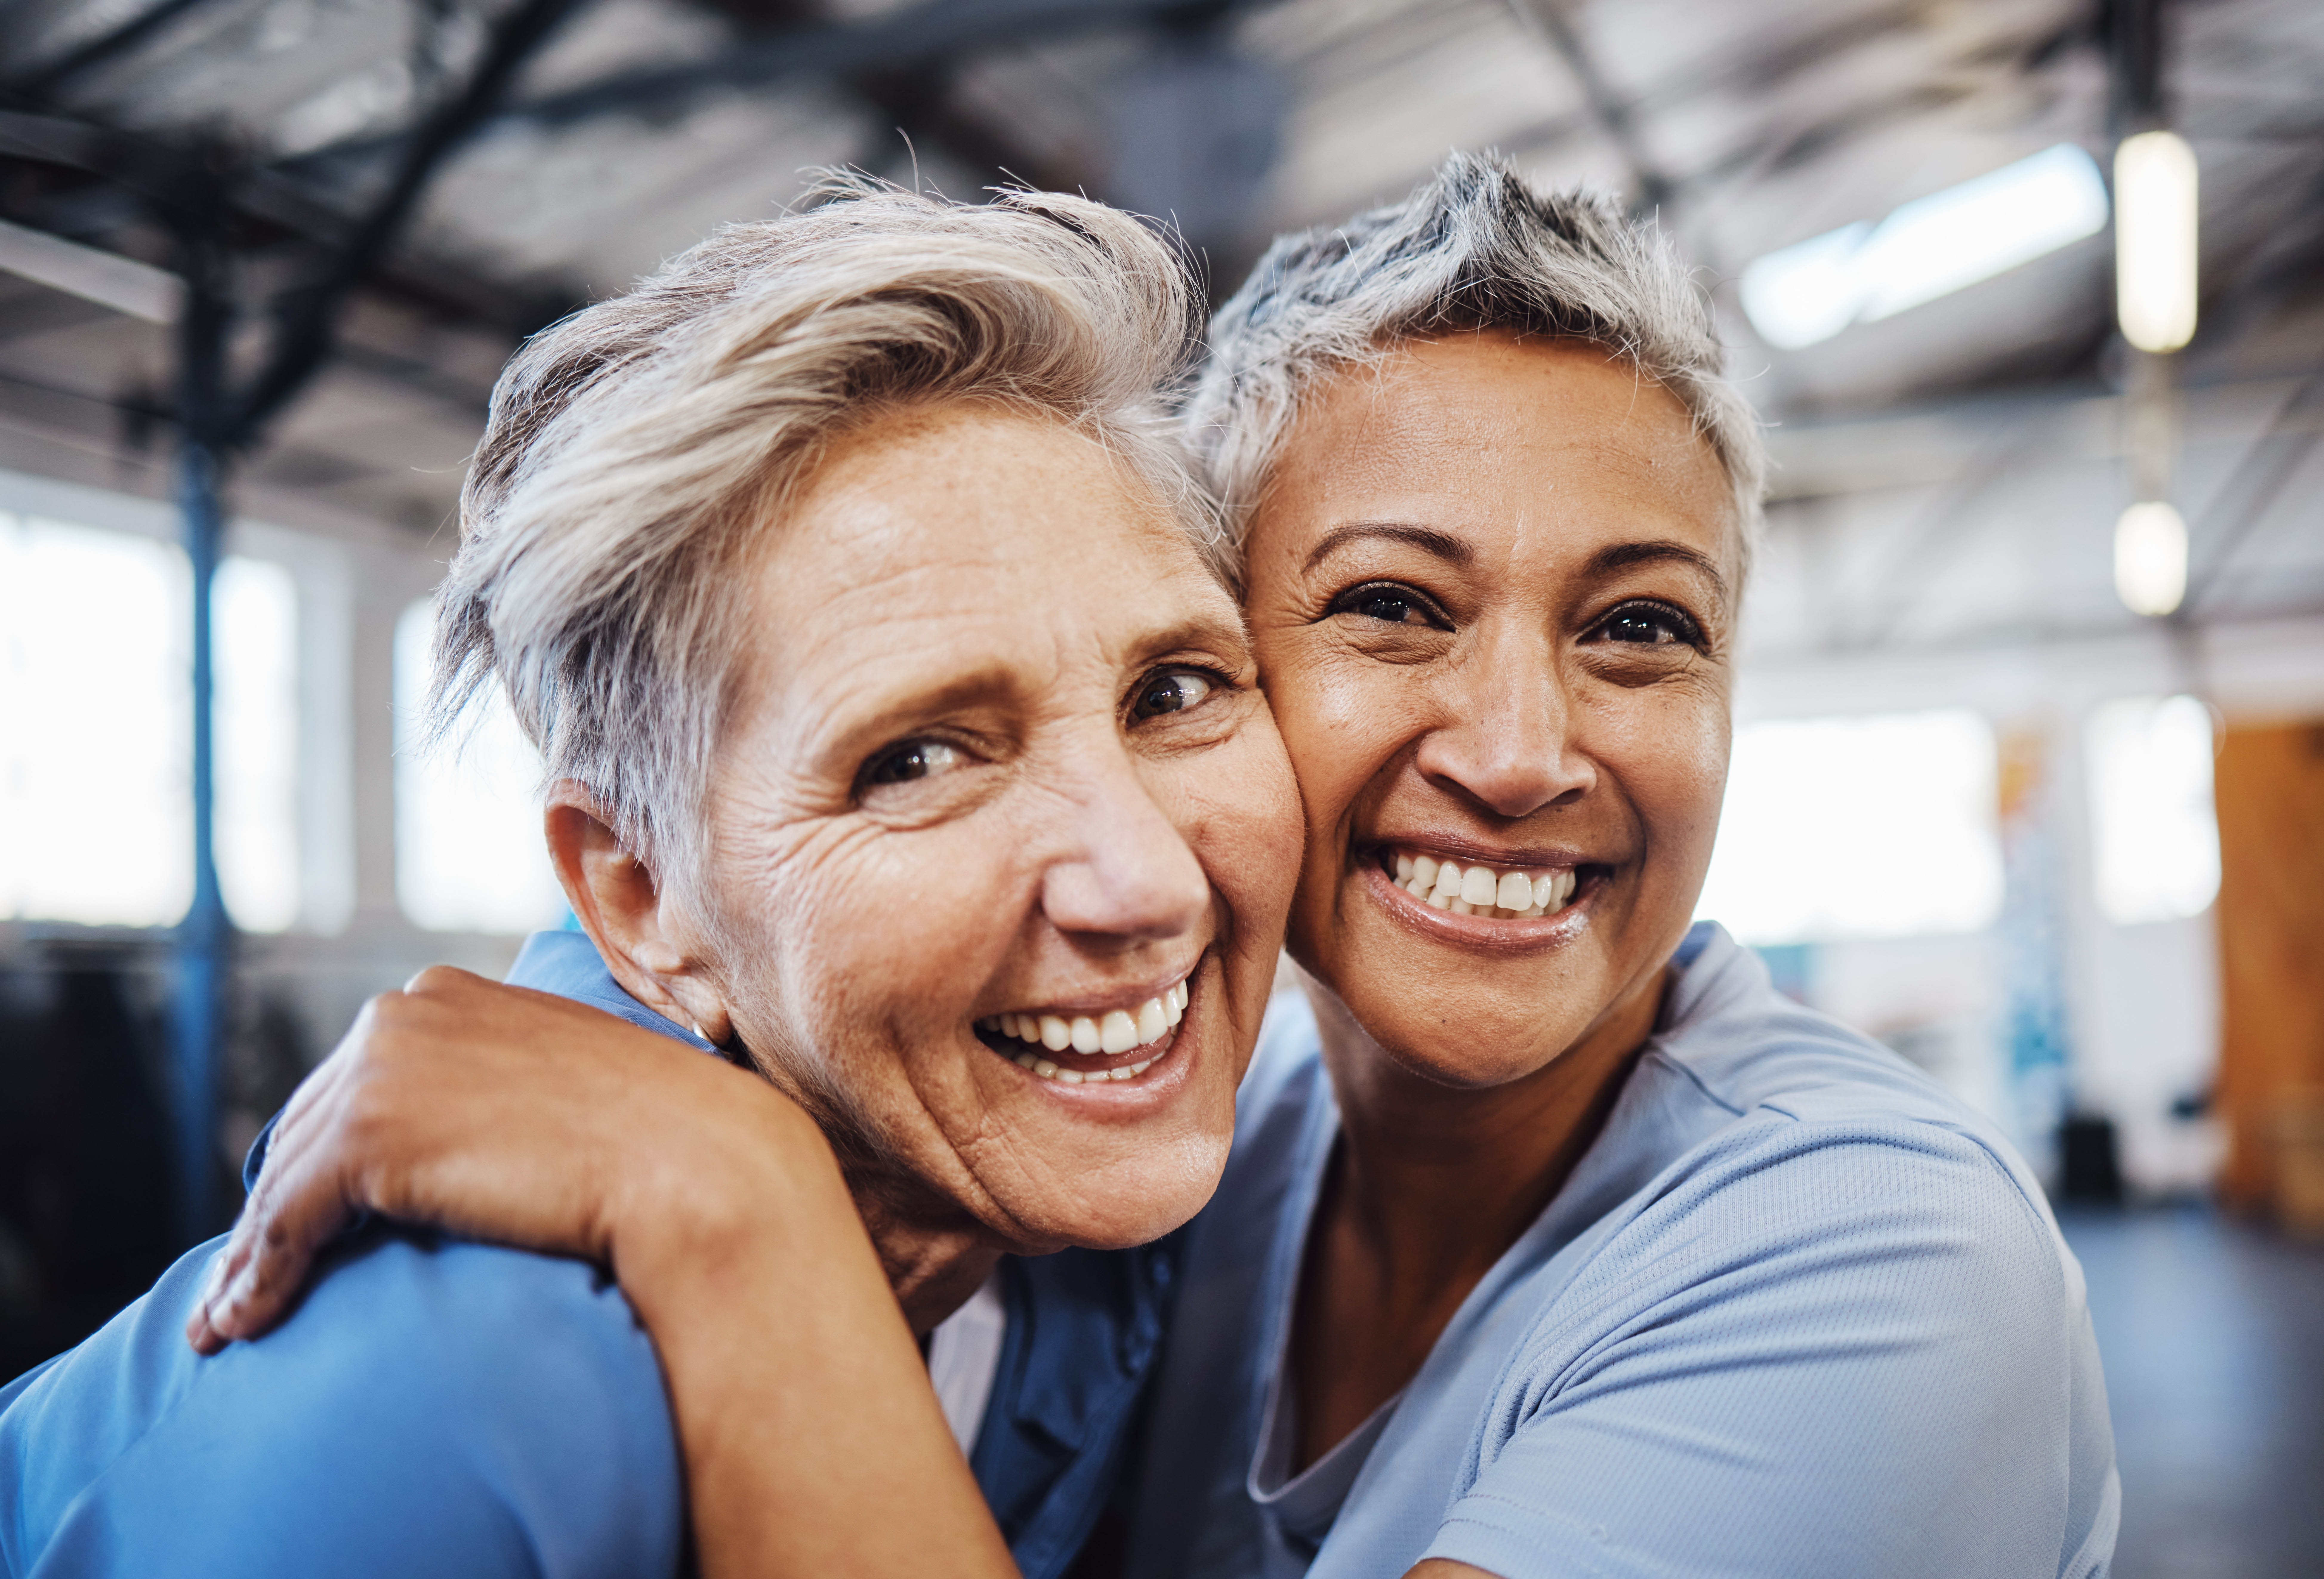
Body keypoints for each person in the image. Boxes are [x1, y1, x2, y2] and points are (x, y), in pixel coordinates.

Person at [131, 156, 2117, 1579]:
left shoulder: (1878, 1259)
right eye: (1392, 608)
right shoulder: (1172, 1178)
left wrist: (729, 1211)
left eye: (1640, 627)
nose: (1522, 752)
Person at [0, 179, 1305, 1578]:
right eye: (915, 761)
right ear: (640, 900)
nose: (1145, 884)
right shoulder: (458, 1402)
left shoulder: (1092, 1205)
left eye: (1174, 690)